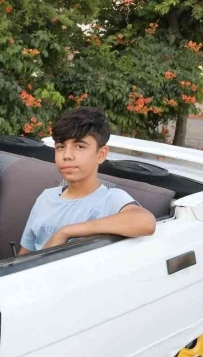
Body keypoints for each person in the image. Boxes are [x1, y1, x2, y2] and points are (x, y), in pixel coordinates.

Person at [19, 107, 156, 254]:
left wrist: (65, 232)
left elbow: (145, 222)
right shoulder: (46, 197)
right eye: (60, 147)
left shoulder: (110, 199)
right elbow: (24, 256)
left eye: (80, 146)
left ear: (101, 154)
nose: (67, 155)